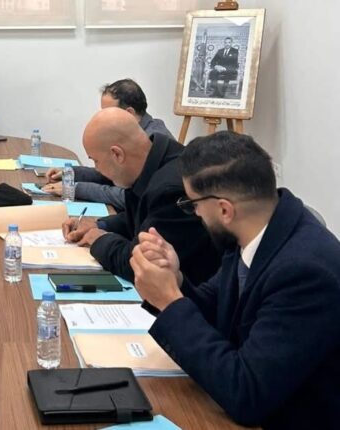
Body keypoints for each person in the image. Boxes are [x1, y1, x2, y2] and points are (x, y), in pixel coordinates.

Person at [130, 131, 340, 429]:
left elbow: (247, 394)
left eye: (193, 204)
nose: (195, 214)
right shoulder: (255, 230)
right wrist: (176, 279)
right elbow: (218, 312)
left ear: (224, 209)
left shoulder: (305, 273)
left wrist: (169, 300)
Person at [62, 108, 220, 284]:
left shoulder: (169, 190)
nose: (97, 169)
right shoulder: (156, 158)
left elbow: (140, 265)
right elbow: (144, 216)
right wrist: (100, 224)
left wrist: (100, 240)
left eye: (95, 161)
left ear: (117, 154)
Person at [43, 79, 174, 210]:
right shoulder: (131, 133)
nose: (103, 116)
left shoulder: (151, 142)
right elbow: (110, 174)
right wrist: (72, 173)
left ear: (129, 113)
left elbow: (130, 197)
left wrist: (76, 189)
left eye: (108, 112)